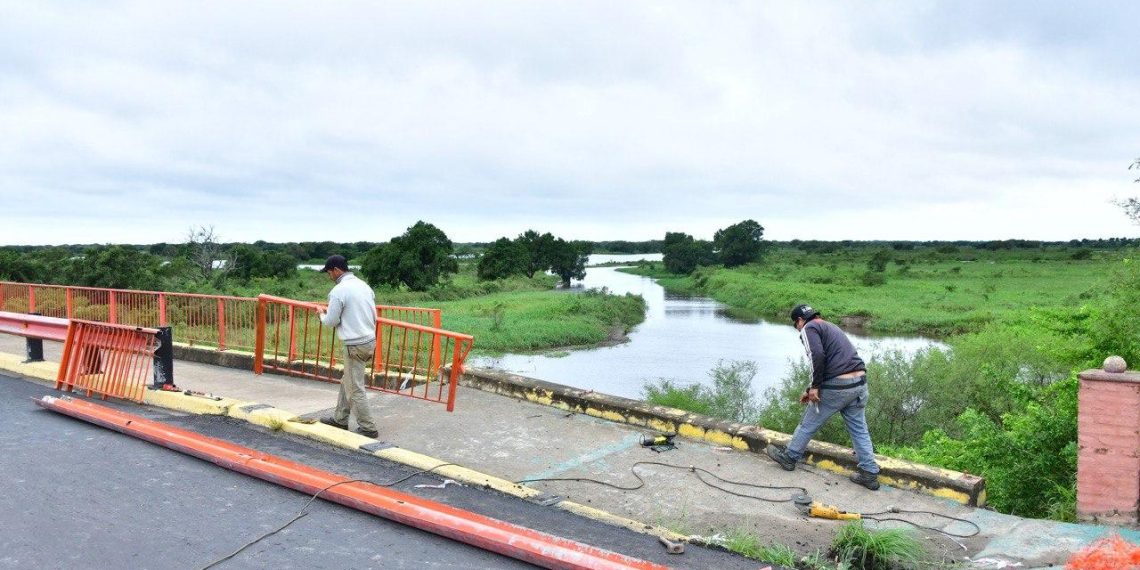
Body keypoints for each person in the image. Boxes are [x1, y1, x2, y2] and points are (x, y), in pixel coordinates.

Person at [765, 304, 881, 490]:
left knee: (809, 422)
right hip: (859, 383)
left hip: (838, 387)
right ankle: (869, 473)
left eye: (796, 325)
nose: (798, 329)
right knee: (859, 430)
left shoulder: (809, 328)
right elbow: (833, 361)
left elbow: (817, 356)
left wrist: (815, 388)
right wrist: (811, 387)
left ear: (799, 321)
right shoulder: (829, 326)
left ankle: (790, 457)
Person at [317, 254, 380, 438]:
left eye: (329, 272)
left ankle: (369, 427)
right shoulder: (363, 285)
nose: (329, 276)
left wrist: (321, 313)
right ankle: (340, 419)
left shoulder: (339, 290)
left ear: (336, 270)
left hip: (354, 344)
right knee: (348, 381)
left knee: (355, 387)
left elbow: (331, 321)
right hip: (369, 340)